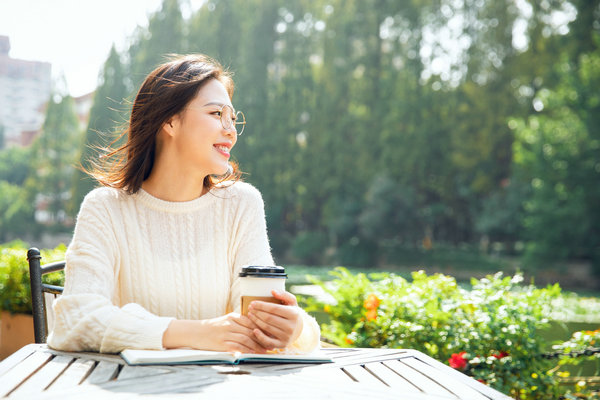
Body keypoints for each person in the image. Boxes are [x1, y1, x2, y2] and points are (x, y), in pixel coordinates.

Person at [48, 54, 320, 354]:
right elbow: (75, 319)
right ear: (169, 120)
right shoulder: (105, 209)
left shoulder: (242, 204)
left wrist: (292, 327)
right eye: (216, 113)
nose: (230, 130)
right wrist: (200, 333)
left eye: (233, 118)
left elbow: (259, 315)